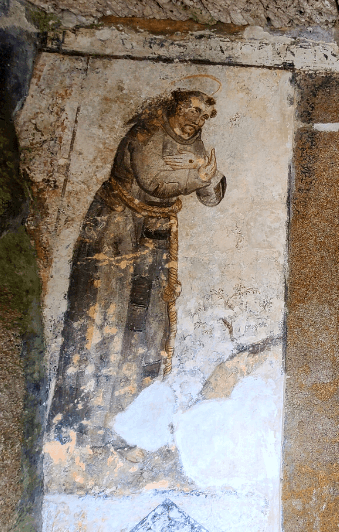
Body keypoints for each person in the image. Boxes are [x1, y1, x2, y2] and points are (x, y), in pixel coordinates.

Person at [49, 90, 226, 446]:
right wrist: (200, 176)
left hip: (154, 237)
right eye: (192, 108)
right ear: (174, 105)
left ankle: (133, 420)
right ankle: (85, 417)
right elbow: (154, 182)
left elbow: (211, 196)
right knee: (103, 317)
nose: (197, 118)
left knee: (147, 324)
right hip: (116, 234)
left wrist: (209, 178)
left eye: (205, 114)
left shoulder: (195, 145)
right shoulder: (144, 135)